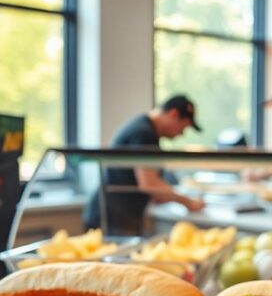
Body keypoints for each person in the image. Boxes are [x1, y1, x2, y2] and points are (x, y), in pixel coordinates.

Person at [83, 95, 205, 235]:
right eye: (183, 128)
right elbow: (149, 183)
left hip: (118, 217)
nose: (181, 134)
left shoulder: (145, 129)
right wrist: (188, 202)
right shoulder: (144, 134)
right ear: (173, 114)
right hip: (111, 219)